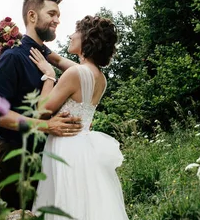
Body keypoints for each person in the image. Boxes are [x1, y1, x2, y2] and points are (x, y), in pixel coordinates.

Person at [0, 0, 82, 217]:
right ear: (32, 16)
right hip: (12, 158)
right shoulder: (13, 57)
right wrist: (48, 126)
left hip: (39, 158)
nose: (57, 20)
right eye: (52, 13)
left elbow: (75, 71)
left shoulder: (41, 55)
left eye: (58, 15)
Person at [29, 15, 128, 220]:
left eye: (77, 32)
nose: (72, 35)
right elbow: (58, 61)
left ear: (87, 39)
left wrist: (49, 77)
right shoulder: (101, 78)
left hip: (65, 146)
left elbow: (41, 113)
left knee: (66, 204)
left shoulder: (75, 73)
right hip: (84, 148)